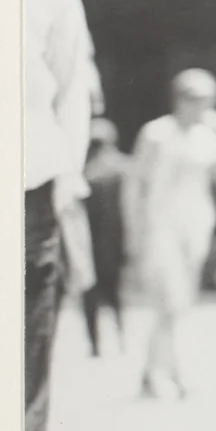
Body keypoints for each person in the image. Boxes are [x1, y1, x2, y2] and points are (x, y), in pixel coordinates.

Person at [23, 0, 96, 431]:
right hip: (33, 195)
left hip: (32, 198)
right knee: (27, 358)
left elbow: (72, 98)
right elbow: (73, 99)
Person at [125, 69, 216, 398]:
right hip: (160, 224)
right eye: (193, 99)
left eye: (206, 100)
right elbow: (135, 185)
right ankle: (172, 373)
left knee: (181, 301)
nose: (200, 106)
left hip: (196, 224)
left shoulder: (209, 135)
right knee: (171, 299)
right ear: (178, 98)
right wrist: (134, 232)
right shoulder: (156, 133)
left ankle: (155, 372)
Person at [82, 118, 130, 357]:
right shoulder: (86, 169)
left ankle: (116, 340)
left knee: (111, 293)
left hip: (110, 240)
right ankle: (99, 343)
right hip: (96, 241)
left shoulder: (120, 168)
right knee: (97, 294)